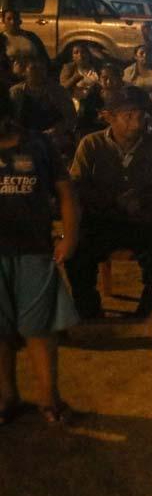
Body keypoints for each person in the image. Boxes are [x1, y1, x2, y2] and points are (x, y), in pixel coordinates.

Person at [67, 86, 152, 319]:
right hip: (103, 221)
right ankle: (89, 309)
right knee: (77, 254)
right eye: (128, 116)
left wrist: (144, 200)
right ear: (109, 117)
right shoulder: (91, 145)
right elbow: (76, 187)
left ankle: (147, 309)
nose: (136, 122)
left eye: (140, 115)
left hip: (145, 222)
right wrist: (113, 199)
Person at [0, 88, 80, 425]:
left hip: (34, 249)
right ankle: (6, 398)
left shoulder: (39, 145)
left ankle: (49, 398)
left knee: (39, 328)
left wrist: (69, 237)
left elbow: (65, 193)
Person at [10, 55, 77, 157]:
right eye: (33, 68)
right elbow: (10, 118)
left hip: (53, 135)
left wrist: (55, 131)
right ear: (24, 72)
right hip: (23, 135)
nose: (38, 72)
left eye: (41, 69)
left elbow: (70, 117)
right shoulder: (16, 92)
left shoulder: (58, 91)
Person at [0, 7, 50, 90]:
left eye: (15, 18)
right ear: (3, 21)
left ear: (20, 21)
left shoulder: (31, 36)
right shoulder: (2, 40)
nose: (13, 22)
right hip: (12, 80)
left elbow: (44, 57)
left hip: (37, 77)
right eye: (9, 19)